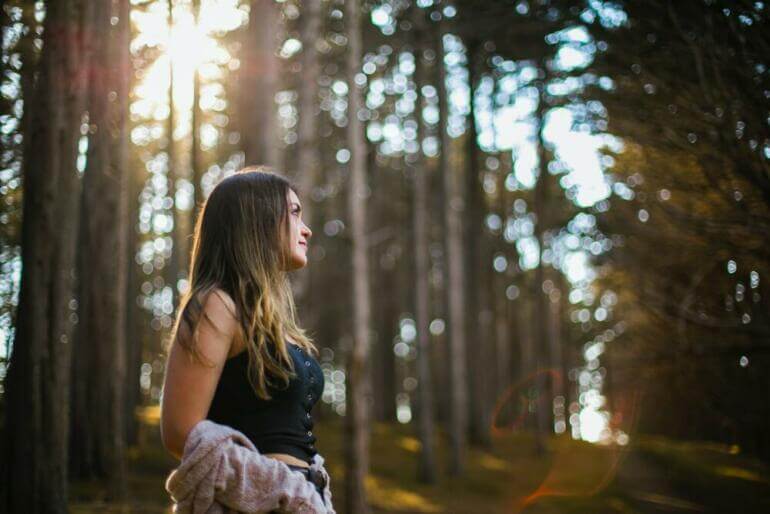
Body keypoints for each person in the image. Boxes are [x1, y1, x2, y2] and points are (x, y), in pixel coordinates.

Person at [160, 166, 330, 511]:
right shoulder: (217, 304)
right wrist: (286, 488)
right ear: (257, 219)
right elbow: (181, 432)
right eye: (295, 213)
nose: (307, 230)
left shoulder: (270, 322)